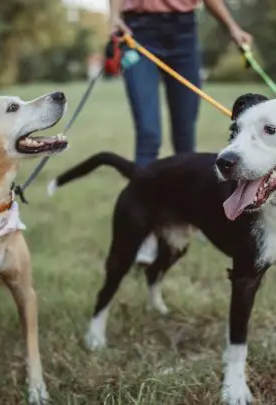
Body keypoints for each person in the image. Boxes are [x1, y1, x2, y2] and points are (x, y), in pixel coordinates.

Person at [108, 0, 253, 264]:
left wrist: (231, 27)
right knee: (149, 134)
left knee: (185, 136)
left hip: (184, 31)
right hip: (136, 30)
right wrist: (114, 16)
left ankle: (189, 215)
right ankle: (146, 230)